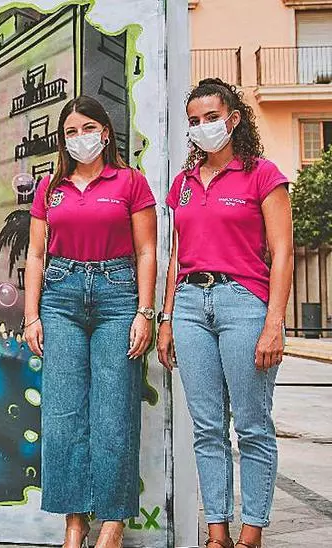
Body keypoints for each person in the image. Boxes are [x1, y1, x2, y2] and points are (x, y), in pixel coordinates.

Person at [157, 78, 294, 548]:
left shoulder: (262, 175)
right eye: (194, 121)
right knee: (207, 428)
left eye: (211, 118)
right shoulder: (183, 184)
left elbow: (283, 252)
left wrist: (274, 323)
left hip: (244, 304)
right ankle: (217, 533)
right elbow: (177, 256)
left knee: (252, 426)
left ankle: (251, 533)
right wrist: (167, 319)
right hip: (190, 306)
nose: (203, 127)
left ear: (234, 119)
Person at [23, 96, 158, 548]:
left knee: (114, 412)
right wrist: (31, 316)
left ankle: (113, 524)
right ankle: (75, 522)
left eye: (87, 128)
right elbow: (36, 255)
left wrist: (144, 311)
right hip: (60, 299)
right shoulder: (51, 187)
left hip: (118, 297)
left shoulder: (131, 182)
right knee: (63, 415)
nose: (79, 138)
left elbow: (146, 251)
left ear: (105, 132)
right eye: (70, 132)